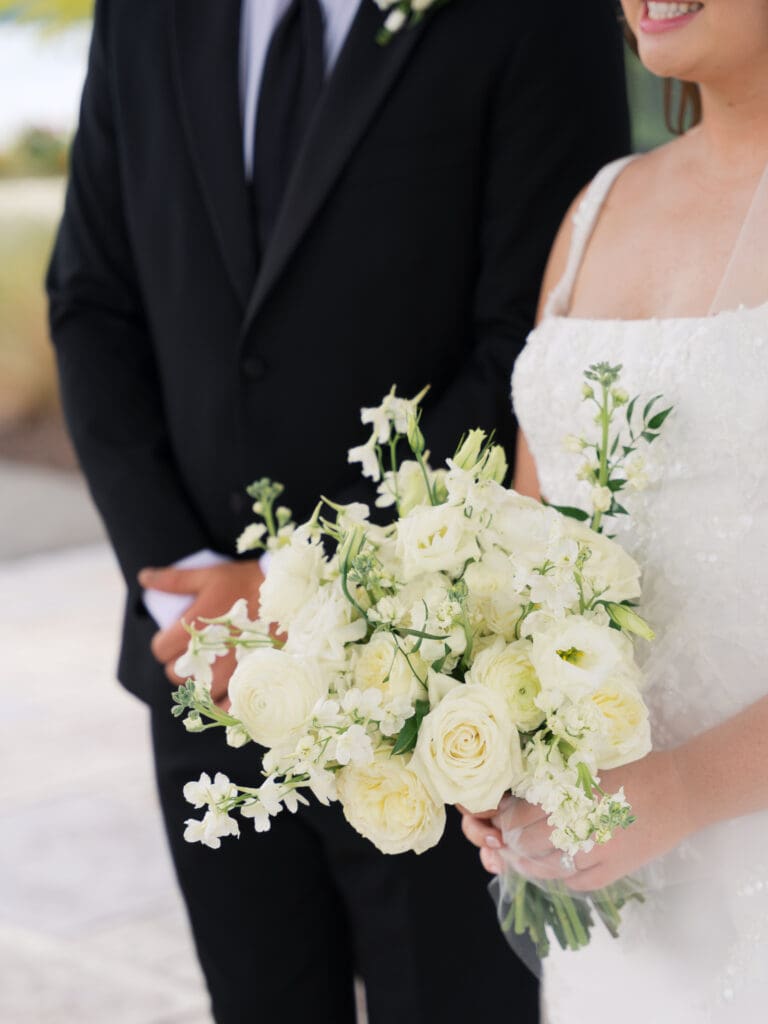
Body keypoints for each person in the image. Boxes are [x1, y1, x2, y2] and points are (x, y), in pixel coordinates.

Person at [46, 1, 629, 1020]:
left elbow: (532, 339)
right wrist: (186, 583)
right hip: (204, 675)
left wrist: (294, 591)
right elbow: (91, 299)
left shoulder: (538, 16)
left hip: (438, 691)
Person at [461, 1, 768, 1021]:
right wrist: (485, 732)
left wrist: (679, 791)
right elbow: (521, 547)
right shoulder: (598, 205)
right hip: (613, 905)